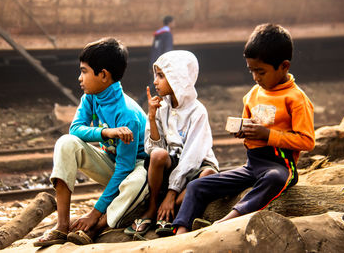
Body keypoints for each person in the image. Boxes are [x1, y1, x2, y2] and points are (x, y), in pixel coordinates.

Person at [172, 23, 315, 235]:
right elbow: (251, 134)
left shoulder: (296, 99)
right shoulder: (251, 95)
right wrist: (243, 132)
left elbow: (307, 141)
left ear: (284, 66)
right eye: (252, 71)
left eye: (261, 71)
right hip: (252, 165)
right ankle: (181, 231)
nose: (256, 77)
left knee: (273, 178)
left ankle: (230, 219)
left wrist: (268, 135)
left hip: (281, 166)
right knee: (196, 186)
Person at [34, 37, 148, 247]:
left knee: (136, 182)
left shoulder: (128, 115)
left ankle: (97, 227)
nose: (80, 78)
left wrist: (94, 213)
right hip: (114, 164)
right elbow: (75, 129)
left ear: (103, 75)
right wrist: (107, 132)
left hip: (136, 170)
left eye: (84, 71)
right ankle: (61, 226)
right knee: (66, 142)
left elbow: (125, 169)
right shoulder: (91, 97)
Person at [125, 50, 219, 237]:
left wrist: (171, 192)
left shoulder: (197, 111)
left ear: (178, 78)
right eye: (156, 75)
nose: (155, 81)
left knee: (208, 174)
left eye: (161, 76)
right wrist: (151, 117)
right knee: (158, 155)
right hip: (171, 166)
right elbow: (153, 150)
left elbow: (192, 157)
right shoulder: (162, 107)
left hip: (196, 167)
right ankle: (153, 209)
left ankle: (170, 206)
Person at [138, 15, 175, 106]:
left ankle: (142, 101)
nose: (174, 24)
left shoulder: (158, 34)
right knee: (158, 85)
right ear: (170, 23)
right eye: (173, 22)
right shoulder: (167, 34)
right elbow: (168, 50)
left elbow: (154, 49)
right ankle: (140, 101)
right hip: (162, 63)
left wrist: (152, 63)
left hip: (155, 62)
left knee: (155, 84)